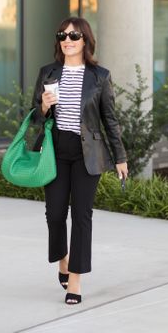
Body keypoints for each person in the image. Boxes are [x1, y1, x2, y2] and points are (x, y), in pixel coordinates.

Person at [31, 17, 128, 305]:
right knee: (55, 214)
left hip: (88, 153)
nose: (67, 40)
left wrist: (120, 157)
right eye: (63, 35)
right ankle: (62, 259)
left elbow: (110, 119)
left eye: (74, 36)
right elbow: (34, 116)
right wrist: (44, 107)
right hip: (57, 149)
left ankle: (75, 279)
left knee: (82, 217)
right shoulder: (48, 72)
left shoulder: (99, 76)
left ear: (85, 40)